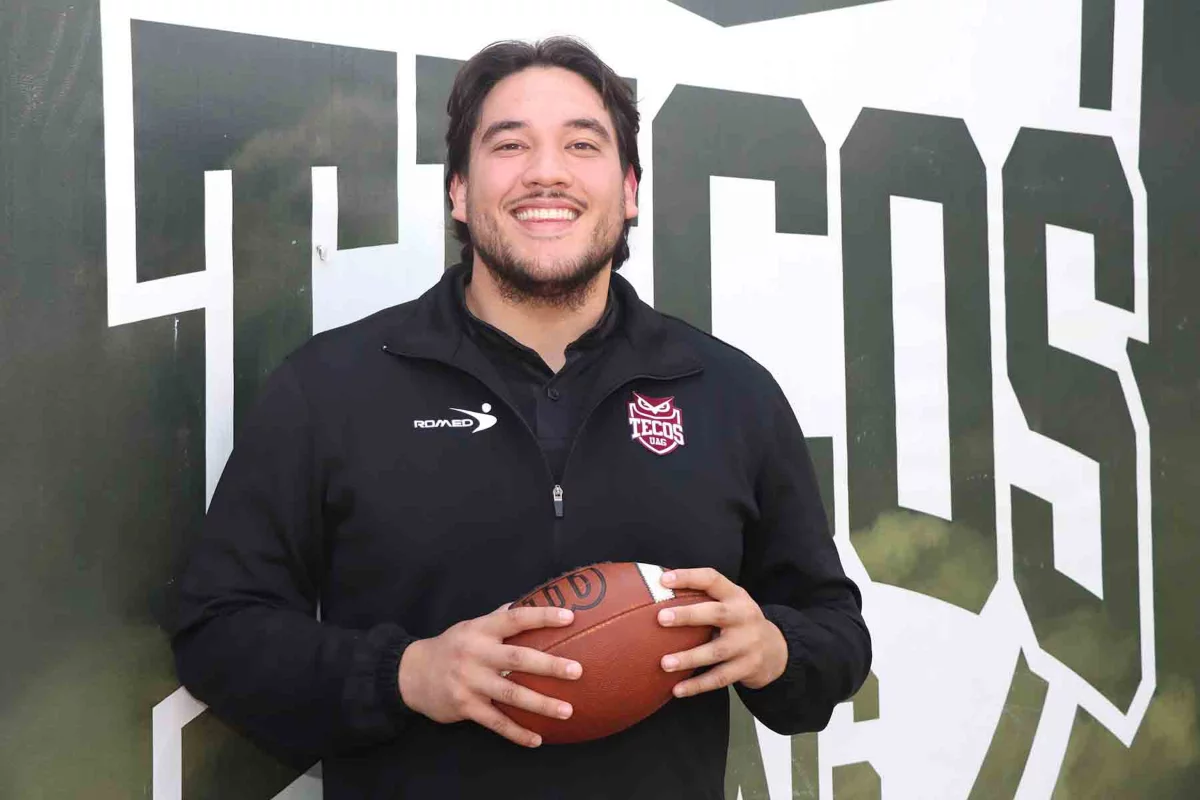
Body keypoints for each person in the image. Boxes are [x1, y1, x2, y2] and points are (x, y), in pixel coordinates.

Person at [173, 36, 871, 799]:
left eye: (582, 144)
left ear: (630, 191)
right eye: (510, 145)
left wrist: (773, 649)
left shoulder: (730, 393)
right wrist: (404, 674)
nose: (547, 171)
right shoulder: (332, 386)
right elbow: (216, 630)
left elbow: (835, 630)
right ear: (458, 192)